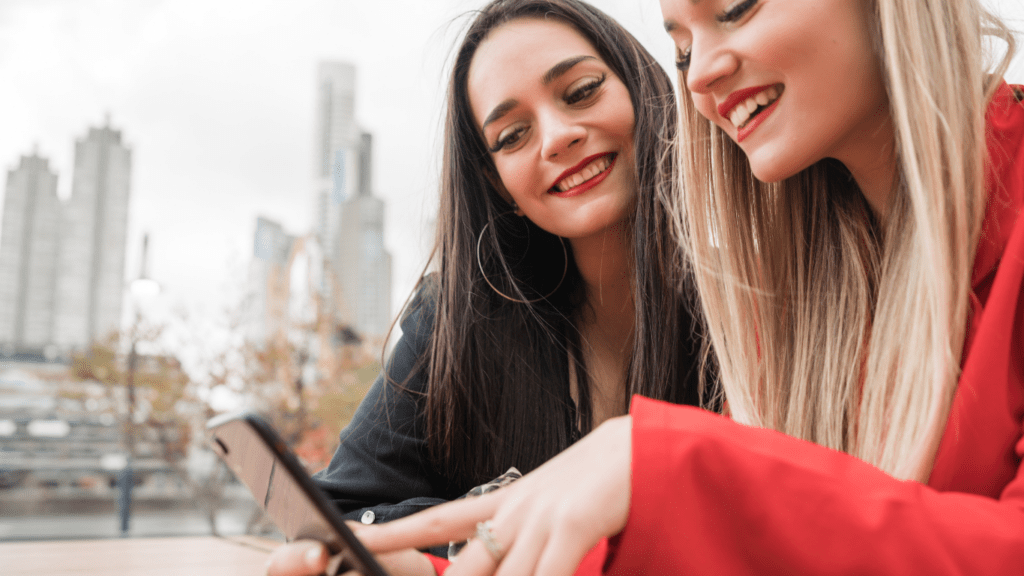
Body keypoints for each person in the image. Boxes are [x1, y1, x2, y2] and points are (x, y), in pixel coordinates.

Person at [353, 0, 1024, 574]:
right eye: (680, 50)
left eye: (735, 9)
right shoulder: (803, 303)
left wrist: (671, 470)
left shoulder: (740, 309)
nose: (701, 73)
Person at [266, 0, 713, 573]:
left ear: (644, 89)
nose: (555, 138)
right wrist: (462, 541)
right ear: (497, 184)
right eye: (512, 135)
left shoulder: (752, 302)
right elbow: (342, 510)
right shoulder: (459, 320)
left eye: (580, 92)